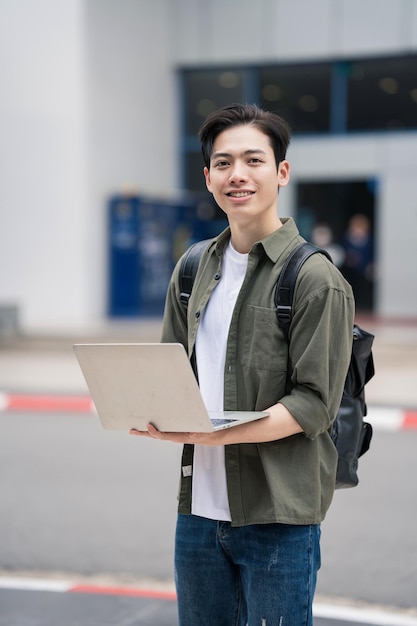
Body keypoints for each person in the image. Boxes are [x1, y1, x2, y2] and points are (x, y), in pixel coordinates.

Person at [130, 103, 355, 625]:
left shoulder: (314, 279)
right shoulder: (190, 268)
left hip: (278, 518)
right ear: (207, 177)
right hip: (199, 517)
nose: (238, 175)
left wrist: (217, 435)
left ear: (281, 172)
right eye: (223, 162)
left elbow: (314, 405)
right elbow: (169, 372)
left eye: (254, 160)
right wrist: (142, 404)